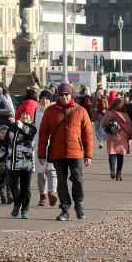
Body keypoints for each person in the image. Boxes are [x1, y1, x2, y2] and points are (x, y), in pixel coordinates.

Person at [37, 83, 94, 221]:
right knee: (61, 182)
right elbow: (43, 133)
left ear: (71, 95)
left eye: (67, 94)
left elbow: (88, 134)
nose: (64, 97)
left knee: (77, 178)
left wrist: (88, 154)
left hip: (76, 153)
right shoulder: (50, 111)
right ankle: (64, 208)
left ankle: (79, 205)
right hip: (58, 153)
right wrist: (41, 153)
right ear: (58, 96)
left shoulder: (80, 111)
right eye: (61, 95)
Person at [1, 103, 38, 218]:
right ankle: (17, 204)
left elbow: (27, 131)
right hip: (12, 162)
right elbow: (6, 143)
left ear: (31, 116)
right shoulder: (12, 127)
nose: (25, 116)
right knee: (13, 186)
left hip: (26, 163)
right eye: (23, 114)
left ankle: (25, 209)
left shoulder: (32, 127)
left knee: (25, 187)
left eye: (27, 114)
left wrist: (17, 123)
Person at [33, 90, 58, 207]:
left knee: (52, 170)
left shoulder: (55, 112)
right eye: (42, 98)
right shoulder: (34, 113)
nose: (44, 101)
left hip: (52, 145)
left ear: (50, 100)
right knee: (41, 173)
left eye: (47, 99)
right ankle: (43, 196)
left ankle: (52, 192)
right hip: (38, 145)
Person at [100, 97, 132, 181]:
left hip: (111, 136)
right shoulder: (124, 115)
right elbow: (129, 126)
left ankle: (112, 166)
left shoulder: (109, 113)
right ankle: (119, 173)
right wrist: (130, 135)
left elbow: (103, 124)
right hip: (122, 136)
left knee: (112, 153)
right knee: (120, 155)